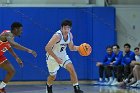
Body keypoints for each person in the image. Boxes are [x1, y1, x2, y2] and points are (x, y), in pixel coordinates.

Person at [45, 20, 83, 93]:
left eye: (68, 28)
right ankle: (48, 86)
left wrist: (80, 48)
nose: (66, 30)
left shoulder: (70, 35)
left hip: (63, 55)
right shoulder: (57, 36)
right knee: (53, 76)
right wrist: (56, 58)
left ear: (70, 28)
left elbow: (71, 48)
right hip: (52, 57)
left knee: (71, 69)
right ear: (61, 28)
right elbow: (47, 48)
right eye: (65, 28)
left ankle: (77, 89)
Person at [0, 22, 37, 93]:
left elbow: (8, 46)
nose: (21, 32)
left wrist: (16, 57)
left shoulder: (10, 36)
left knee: (11, 71)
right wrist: (28, 50)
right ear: (16, 29)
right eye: (21, 30)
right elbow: (13, 45)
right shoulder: (8, 34)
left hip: (0, 56)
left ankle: (1, 88)